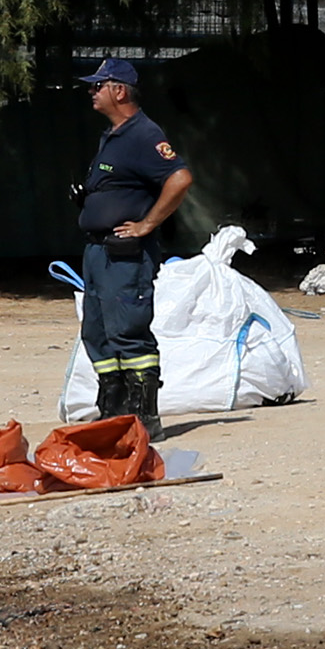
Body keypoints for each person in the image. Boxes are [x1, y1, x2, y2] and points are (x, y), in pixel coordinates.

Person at [72, 56, 192, 424]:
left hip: (124, 256)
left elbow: (180, 178)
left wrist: (146, 224)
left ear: (119, 91)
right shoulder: (112, 136)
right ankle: (112, 413)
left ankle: (143, 419)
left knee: (128, 331)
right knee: (97, 332)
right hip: (98, 252)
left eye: (98, 86)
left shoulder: (144, 134)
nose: (91, 92)